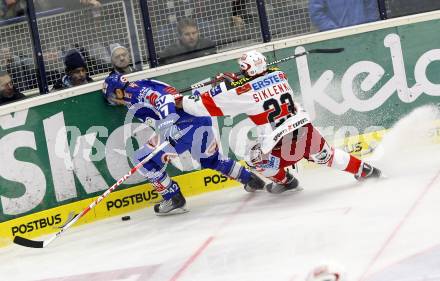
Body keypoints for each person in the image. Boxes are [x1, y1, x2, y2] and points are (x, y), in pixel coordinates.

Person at [180, 50, 381, 194]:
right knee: (326, 155)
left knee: (254, 159)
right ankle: (365, 169)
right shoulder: (279, 75)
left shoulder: (243, 92)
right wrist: (236, 81)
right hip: (302, 128)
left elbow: (201, 106)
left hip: (278, 141)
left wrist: (219, 88)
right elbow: (257, 80)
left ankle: (286, 182)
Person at [102, 73, 265, 215]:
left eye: (112, 97)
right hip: (199, 118)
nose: (114, 101)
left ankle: (173, 197)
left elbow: (163, 99)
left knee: (143, 159)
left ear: (118, 91)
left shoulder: (134, 93)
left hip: (182, 126)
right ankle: (250, 179)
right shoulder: (141, 84)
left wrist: (168, 124)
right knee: (210, 160)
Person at [309, 0, 380, 32]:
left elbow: (371, 7)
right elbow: (316, 14)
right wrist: (334, 31)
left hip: (362, 34)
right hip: (337, 40)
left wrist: (370, 27)